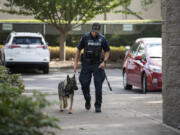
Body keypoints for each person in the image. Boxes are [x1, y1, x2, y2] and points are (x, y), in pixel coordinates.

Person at [74, 23, 110, 113]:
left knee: (98, 86)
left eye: (96, 31)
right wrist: (75, 63)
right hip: (86, 63)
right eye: (93, 31)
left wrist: (104, 62)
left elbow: (107, 51)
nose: (95, 33)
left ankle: (98, 105)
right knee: (84, 83)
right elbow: (78, 50)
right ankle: (87, 98)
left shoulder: (102, 38)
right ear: (91, 29)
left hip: (98, 64)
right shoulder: (85, 37)